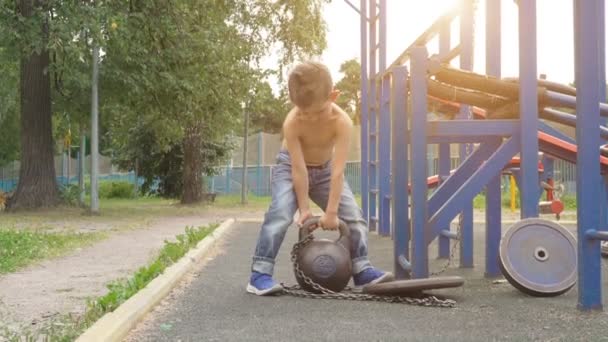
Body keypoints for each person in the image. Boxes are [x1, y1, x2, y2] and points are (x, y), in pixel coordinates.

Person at [246, 61, 394, 296]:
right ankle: (259, 274)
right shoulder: (293, 122)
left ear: (333, 96)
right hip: (290, 168)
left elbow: (337, 171)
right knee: (280, 213)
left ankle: (361, 269)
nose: (310, 118)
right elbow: (298, 169)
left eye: (317, 112)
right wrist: (304, 210)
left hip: (326, 171)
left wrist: (332, 212)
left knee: (353, 217)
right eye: (304, 112)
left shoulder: (342, 122)